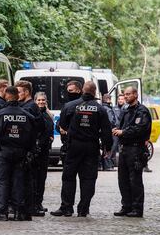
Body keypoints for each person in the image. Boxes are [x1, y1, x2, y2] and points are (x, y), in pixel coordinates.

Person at [51, 81, 112, 217]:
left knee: (68, 177)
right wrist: (107, 147)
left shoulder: (70, 106)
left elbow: (63, 125)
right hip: (91, 146)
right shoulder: (100, 109)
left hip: (74, 146)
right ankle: (84, 208)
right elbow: (107, 130)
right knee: (89, 178)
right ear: (95, 92)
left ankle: (66, 207)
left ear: (83, 90)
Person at [0, 86, 36, 221]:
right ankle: (19, 211)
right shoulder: (27, 115)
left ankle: (2, 212)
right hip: (21, 152)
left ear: (7, 96)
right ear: (17, 96)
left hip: (4, 151)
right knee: (18, 181)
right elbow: (34, 134)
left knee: (2, 181)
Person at [112, 86, 152, 218]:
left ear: (136, 94)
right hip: (124, 148)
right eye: (125, 94)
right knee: (122, 180)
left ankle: (137, 208)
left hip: (136, 149)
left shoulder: (142, 111)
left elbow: (139, 129)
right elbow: (122, 126)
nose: (126, 96)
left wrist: (123, 132)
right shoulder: (126, 110)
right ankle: (126, 206)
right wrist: (117, 130)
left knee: (135, 180)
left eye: (128, 94)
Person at [15, 80, 45, 218]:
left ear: (26, 92)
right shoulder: (25, 105)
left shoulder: (31, 106)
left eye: (19, 92)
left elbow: (37, 127)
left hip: (29, 148)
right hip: (26, 147)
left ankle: (30, 207)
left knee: (30, 179)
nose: (17, 95)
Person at [33, 92, 54, 215]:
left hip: (45, 151)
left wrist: (50, 137)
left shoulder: (48, 115)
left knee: (42, 178)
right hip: (36, 150)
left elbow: (50, 130)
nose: (41, 102)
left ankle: (39, 202)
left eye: (43, 100)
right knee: (35, 178)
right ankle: (34, 203)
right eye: (39, 100)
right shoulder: (34, 113)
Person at [57, 80, 83, 163]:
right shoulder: (67, 105)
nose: (68, 93)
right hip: (68, 143)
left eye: (71, 91)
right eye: (67, 91)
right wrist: (60, 127)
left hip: (80, 143)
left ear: (79, 91)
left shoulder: (84, 104)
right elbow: (59, 122)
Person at [101, 94, 117, 171]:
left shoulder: (102, 107)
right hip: (110, 130)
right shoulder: (107, 109)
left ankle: (105, 165)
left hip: (104, 131)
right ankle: (107, 165)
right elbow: (111, 120)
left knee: (104, 147)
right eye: (109, 99)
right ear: (108, 100)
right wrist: (115, 126)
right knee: (109, 148)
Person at [111, 94, 126, 166]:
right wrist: (113, 127)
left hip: (124, 130)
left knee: (123, 147)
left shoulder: (127, 108)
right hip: (116, 130)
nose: (120, 100)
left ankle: (122, 162)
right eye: (119, 99)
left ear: (124, 100)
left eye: (122, 99)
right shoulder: (114, 108)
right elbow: (112, 119)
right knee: (114, 146)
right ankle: (112, 162)